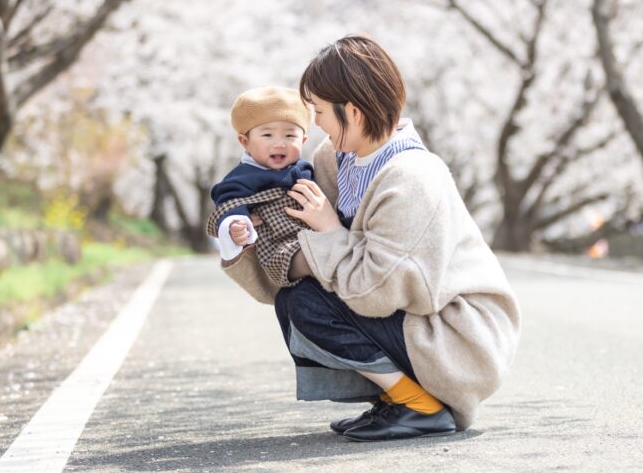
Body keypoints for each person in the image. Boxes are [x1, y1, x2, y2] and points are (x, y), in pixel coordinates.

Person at [220, 36, 521, 442]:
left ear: (354, 112)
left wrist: (328, 229)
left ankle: (420, 405)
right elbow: (300, 244)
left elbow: (376, 291)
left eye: (321, 112)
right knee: (297, 297)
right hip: (415, 318)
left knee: (309, 302)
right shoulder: (336, 157)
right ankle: (395, 399)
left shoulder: (412, 177)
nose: (316, 125)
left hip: (457, 337)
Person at [208, 86, 313, 287]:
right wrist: (236, 224)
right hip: (277, 247)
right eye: (267, 135)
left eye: (290, 136)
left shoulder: (305, 169)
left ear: (303, 140)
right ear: (245, 142)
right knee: (315, 262)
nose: (280, 143)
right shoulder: (243, 176)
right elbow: (228, 202)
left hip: (311, 236)